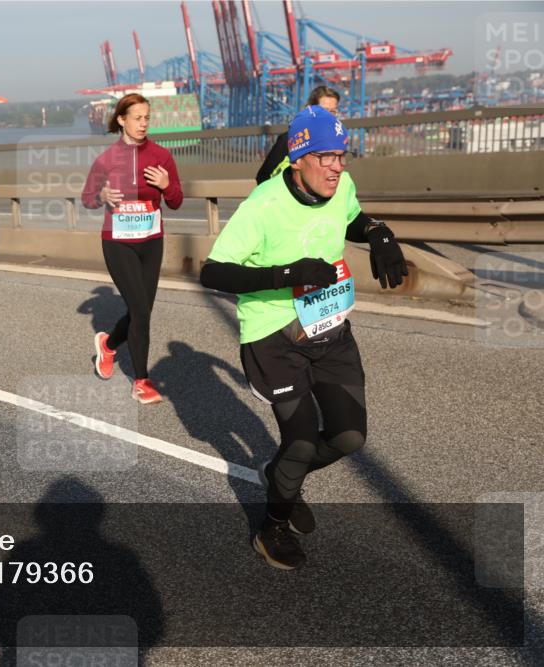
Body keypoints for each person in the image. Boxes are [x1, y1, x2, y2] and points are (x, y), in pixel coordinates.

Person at [201, 106, 409, 570]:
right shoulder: (263, 206)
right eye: (326, 157)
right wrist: (287, 274)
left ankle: (281, 478)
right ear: (298, 159)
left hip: (328, 327)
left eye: (342, 155)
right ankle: (271, 525)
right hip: (273, 335)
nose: (338, 166)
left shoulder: (342, 186)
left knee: (350, 437)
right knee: (297, 441)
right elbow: (212, 271)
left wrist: (377, 233)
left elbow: (352, 217)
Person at [82, 93, 183, 404]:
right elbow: (87, 199)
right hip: (119, 243)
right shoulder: (107, 160)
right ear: (122, 120)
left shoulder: (162, 156)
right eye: (137, 118)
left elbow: (177, 202)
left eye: (147, 118)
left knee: (142, 311)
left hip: (151, 242)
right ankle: (142, 380)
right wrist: (102, 196)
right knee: (140, 311)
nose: (143, 123)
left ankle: (109, 345)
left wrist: (167, 185)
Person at [256, 86, 340, 185]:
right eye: (324, 111)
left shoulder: (336, 141)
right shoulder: (290, 139)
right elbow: (263, 176)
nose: (329, 116)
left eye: (333, 111)